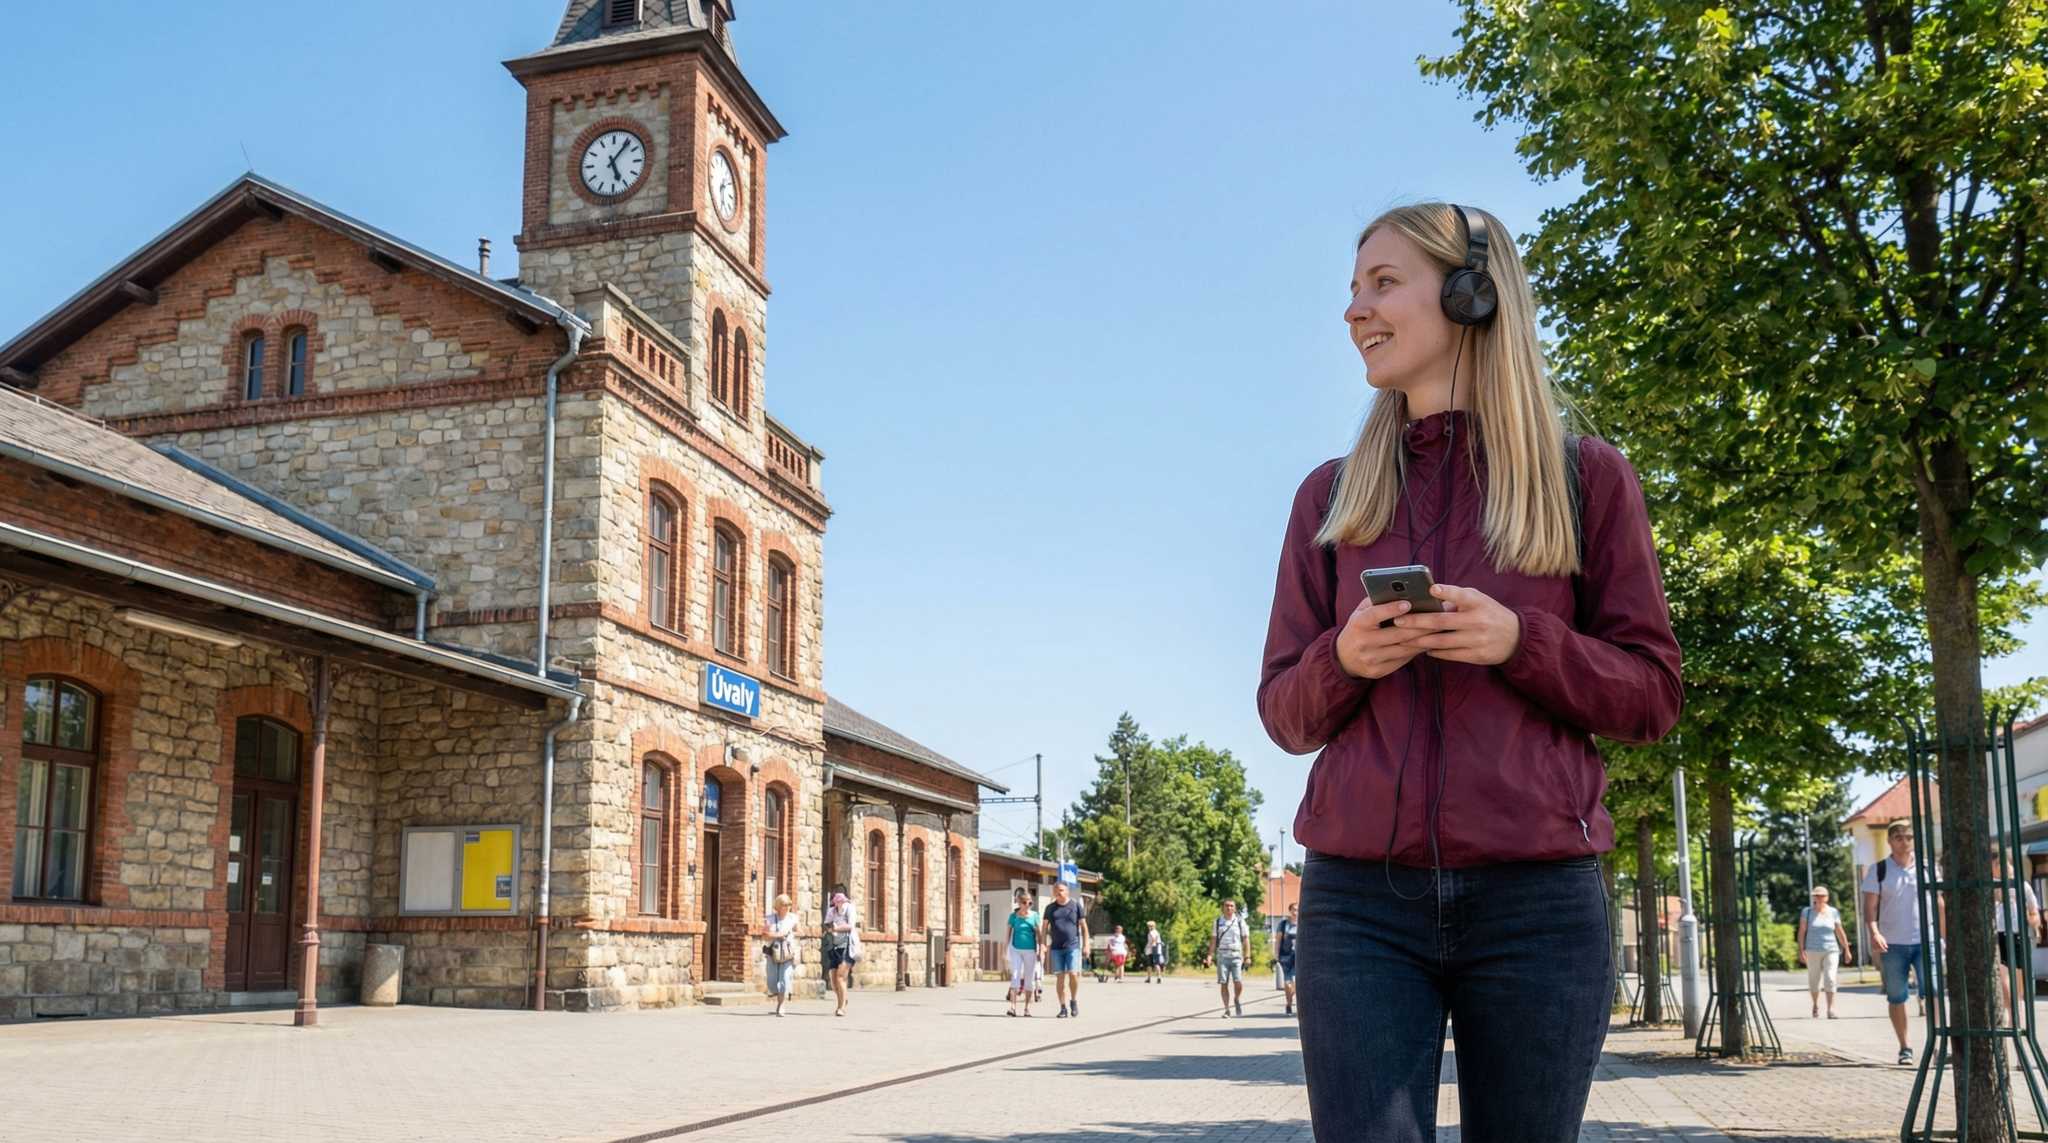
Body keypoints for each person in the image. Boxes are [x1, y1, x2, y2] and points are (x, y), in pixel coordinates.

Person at [1257, 203, 1683, 1141]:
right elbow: (1284, 713)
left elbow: (1653, 695)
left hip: (1540, 902)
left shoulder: (1585, 479)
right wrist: (1344, 659)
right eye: (1353, 288)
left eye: (1383, 283)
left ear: (1470, 295)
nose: (1355, 310)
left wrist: (1521, 641)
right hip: (1359, 905)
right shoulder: (1330, 496)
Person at [1861, 821, 1942, 1065]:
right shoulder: (1879, 870)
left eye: (1908, 837)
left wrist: (1943, 936)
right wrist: (1874, 932)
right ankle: (1905, 1047)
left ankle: (1938, 1045)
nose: (1904, 842)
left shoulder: (1927, 867)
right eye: (1898, 837)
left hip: (1925, 940)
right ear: (1889, 841)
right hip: (1893, 943)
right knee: (1897, 996)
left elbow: (1939, 902)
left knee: (1934, 990)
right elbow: (1870, 906)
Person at [1991, 852, 2041, 1025]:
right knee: (2003, 978)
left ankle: (2015, 1013)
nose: (2002, 867)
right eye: (1997, 864)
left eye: (2004, 863)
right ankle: (2012, 1014)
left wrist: (2031, 919)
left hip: (2019, 936)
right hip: (1998, 936)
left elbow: (2035, 914)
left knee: (2018, 982)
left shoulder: (2022, 886)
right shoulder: (1990, 886)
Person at [1795, 886, 1849, 1019]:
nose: (1819, 898)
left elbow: (1839, 931)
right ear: (1813, 897)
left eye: (1822, 896)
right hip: (1812, 950)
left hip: (1831, 950)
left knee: (1830, 978)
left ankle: (1831, 1009)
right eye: (1816, 895)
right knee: (1814, 980)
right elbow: (1801, 932)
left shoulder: (1833, 912)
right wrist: (1801, 950)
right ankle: (1815, 1004)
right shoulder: (1807, 912)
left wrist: (1847, 949)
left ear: (1827, 897)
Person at [1040, 879, 1089, 1018]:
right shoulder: (1050, 908)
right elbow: (1044, 928)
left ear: (1067, 891)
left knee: (1073, 974)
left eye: (1061, 890)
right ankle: (1063, 1007)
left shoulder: (1075, 906)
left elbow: (1084, 927)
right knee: (1060, 978)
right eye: (1056, 890)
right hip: (1056, 947)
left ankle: (1073, 1001)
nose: (1058, 893)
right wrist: (1042, 943)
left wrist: (1086, 945)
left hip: (1073, 946)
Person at [1209, 899, 1251, 1017]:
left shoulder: (1240, 922)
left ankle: (1236, 998)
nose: (1229, 908)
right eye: (1227, 906)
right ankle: (1227, 1009)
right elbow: (1213, 940)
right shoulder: (1218, 922)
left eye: (1232, 906)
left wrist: (1247, 956)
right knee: (1224, 983)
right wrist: (1209, 955)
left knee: (1238, 981)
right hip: (1222, 955)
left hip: (1236, 955)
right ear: (1223, 908)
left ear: (1235, 908)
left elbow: (1246, 939)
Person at [762, 892, 800, 1017]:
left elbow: (799, 931)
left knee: (784, 978)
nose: (787, 907)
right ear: (778, 906)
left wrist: (791, 934)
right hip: (773, 952)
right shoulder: (770, 918)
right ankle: (776, 993)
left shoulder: (793, 918)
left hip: (787, 952)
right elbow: (764, 935)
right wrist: (778, 935)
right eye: (784, 904)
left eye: (789, 904)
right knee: (772, 980)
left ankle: (781, 1005)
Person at [823, 886, 857, 1018]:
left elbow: (851, 926)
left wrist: (837, 928)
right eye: (836, 900)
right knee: (833, 980)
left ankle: (841, 1007)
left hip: (847, 945)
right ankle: (843, 999)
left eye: (841, 900)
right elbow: (826, 924)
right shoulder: (831, 910)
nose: (839, 903)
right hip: (833, 945)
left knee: (840, 977)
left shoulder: (850, 909)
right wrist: (830, 928)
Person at [1005, 895, 1041, 1017]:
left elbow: (1039, 934)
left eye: (1030, 903)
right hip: (1016, 949)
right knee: (1015, 975)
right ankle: (1012, 1007)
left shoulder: (1035, 916)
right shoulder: (1013, 916)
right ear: (1019, 903)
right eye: (1025, 902)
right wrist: (1005, 950)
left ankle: (1027, 1008)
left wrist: (1041, 948)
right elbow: (1008, 934)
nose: (1027, 905)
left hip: (1030, 951)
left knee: (1029, 979)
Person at [1273, 902, 1300, 1016]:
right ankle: (1289, 1004)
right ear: (1290, 911)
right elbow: (1278, 940)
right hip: (1286, 957)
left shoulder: (1302, 924)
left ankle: (1295, 1002)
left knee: (1297, 983)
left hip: (1299, 958)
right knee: (1288, 984)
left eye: (1297, 910)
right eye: (1293, 909)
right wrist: (1276, 955)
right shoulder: (1283, 924)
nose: (1295, 912)